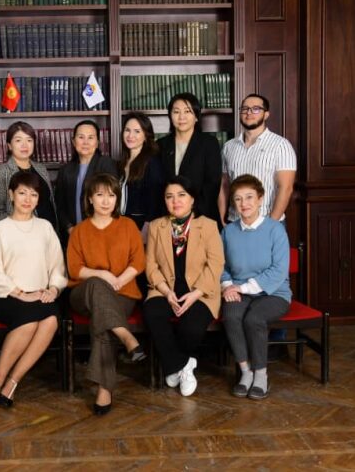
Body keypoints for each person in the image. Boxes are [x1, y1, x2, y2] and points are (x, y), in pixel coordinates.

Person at [0, 171, 67, 409]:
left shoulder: (45, 227)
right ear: (11, 195)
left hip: (40, 294)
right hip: (6, 295)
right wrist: (21, 294)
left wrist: (53, 289)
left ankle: (13, 381)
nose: (28, 199)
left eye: (33, 194)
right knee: (29, 319)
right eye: (22, 193)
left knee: (51, 319)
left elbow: (57, 265)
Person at [66, 173, 146, 415]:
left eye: (111, 195)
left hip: (123, 291)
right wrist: (103, 275)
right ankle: (126, 335)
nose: (106, 201)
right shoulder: (79, 231)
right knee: (97, 285)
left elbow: (139, 261)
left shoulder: (128, 225)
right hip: (83, 293)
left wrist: (119, 280)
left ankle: (104, 389)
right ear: (90, 198)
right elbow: (74, 269)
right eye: (100, 195)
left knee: (103, 319)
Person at [143, 175, 224, 397]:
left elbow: (216, 264)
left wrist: (195, 294)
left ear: (192, 199)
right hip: (164, 289)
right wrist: (166, 292)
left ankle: (174, 365)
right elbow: (150, 265)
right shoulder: (157, 226)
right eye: (169, 196)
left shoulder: (208, 225)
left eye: (181, 195)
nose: (175, 201)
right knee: (153, 314)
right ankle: (182, 364)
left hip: (200, 291)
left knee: (191, 326)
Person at [220, 174, 291, 400]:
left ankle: (261, 375)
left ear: (260, 199)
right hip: (238, 290)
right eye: (238, 199)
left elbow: (279, 270)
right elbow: (221, 265)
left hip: (274, 292)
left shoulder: (275, 230)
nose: (244, 203)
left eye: (249, 197)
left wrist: (243, 288)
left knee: (254, 318)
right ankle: (245, 372)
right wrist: (227, 286)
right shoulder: (228, 232)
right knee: (231, 315)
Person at [217, 93, 296, 224]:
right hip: (235, 221)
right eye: (245, 108)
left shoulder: (281, 145)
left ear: (266, 114)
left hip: (267, 221)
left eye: (256, 109)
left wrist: (270, 225)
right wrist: (222, 218)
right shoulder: (229, 147)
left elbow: (286, 188)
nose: (249, 113)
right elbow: (224, 185)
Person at [157, 93, 222, 226]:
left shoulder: (209, 143)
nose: (181, 117)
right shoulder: (161, 145)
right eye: (176, 112)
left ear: (196, 116)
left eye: (187, 111)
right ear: (170, 116)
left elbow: (212, 184)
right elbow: (158, 184)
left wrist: (191, 214)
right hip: (169, 218)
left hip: (202, 218)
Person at [54, 120, 118, 244]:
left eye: (90, 137)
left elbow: (111, 201)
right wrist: (69, 228)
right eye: (81, 137)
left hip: (100, 233)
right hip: (73, 235)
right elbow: (59, 204)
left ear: (97, 142)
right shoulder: (65, 170)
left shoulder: (106, 164)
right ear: (74, 141)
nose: (85, 142)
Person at [0, 121, 57, 230]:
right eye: (18, 140)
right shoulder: (1, 171)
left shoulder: (41, 168)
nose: (24, 145)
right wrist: (20, 226)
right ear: (9, 145)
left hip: (49, 230)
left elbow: (50, 202)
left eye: (29, 140)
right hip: (20, 233)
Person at [118, 112, 166, 234]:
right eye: (127, 130)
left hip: (142, 226)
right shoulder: (121, 163)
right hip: (121, 224)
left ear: (146, 136)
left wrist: (145, 230)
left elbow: (155, 200)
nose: (130, 135)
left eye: (137, 131)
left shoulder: (152, 162)